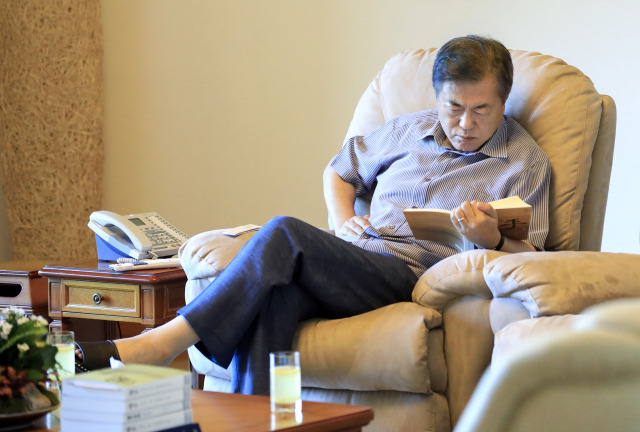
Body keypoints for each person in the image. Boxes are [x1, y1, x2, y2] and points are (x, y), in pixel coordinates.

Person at [76, 35, 550, 396]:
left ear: (502, 101)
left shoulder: (523, 162)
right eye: (454, 107)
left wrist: (491, 238)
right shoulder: (409, 130)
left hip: (414, 274)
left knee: (283, 231)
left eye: (481, 110)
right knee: (277, 299)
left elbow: (537, 254)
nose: (465, 123)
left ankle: (163, 342)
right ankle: (265, 421)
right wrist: (341, 216)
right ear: (437, 98)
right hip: (352, 257)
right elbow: (339, 171)